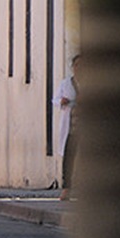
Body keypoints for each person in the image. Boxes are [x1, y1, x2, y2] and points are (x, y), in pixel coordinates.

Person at [53, 54, 81, 199]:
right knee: (69, 159)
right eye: (77, 65)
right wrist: (61, 101)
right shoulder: (66, 84)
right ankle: (66, 188)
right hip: (70, 127)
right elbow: (55, 99)